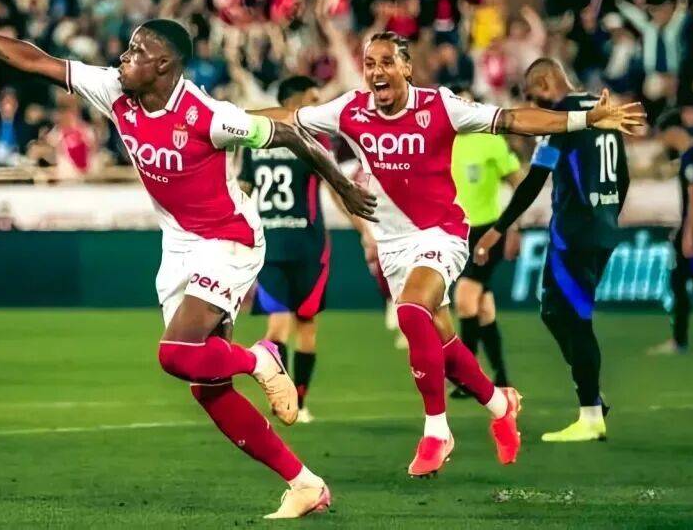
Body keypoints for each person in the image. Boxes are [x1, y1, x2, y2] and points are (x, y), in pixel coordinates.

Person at [0, 0, 378, 519]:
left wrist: (343, 185)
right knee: (207, 387)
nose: (123, 57)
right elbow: (33, 59)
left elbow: (289, 134)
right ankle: (305, 483)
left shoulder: (209, 116)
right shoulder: (115, 90)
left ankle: (260, 358)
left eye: (136, 51)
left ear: (163, 66)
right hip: (178, 245)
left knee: (174, 353)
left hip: (229, 239)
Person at [272, 34, 643, 477]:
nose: (376, 72)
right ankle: (500, 403)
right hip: (392, 243)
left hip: (441, 233)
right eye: (369, 63)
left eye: (386, 62)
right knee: (443, 344)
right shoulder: (350, 109)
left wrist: (583, 119)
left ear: (407, 68)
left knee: (411, 311)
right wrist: (219, 117)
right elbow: (286, 117)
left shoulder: (441, 106)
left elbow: (512, 119)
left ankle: (437, 432)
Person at [474, 58, 632, 443]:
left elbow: (534, 180)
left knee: (574, 318)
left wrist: (497, 229)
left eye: (534, 96)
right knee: (555, 311)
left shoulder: (563, 118)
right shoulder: (601, 109)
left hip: (574, 233)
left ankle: (591, 413)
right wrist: (607, 216)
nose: (535, 107)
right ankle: (591, 395)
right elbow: (623, 176)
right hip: (600, 228)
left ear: (546, 82)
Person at [238, 76, 376, 424]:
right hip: (309, 247)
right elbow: (337, 191)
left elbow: (242, 191)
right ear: (294, 102)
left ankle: (281, 399)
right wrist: (364, 232)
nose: (318, 107)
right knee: (306, 326)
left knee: (278, 327)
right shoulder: (312, 139)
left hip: (268, 244)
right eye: (313, 100)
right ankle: (297, 403)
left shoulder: (255, 141)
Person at [449, 128, 524, 398]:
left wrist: (514, 226)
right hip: (458, 234)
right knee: (482, 307)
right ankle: (501, 375)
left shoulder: (491, 141)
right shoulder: (444, 140)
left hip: (488, 234)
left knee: (464, 298)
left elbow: (520, 182)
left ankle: (467, 379)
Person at [648, 105, 693, 355]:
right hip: (692, 229)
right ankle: (679, 340)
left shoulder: (692, 157)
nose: (661, 141)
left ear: (672, 132)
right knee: (681, 282)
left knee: (680, 282)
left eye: (662, 135)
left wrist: (688, 232)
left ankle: (679, 341)